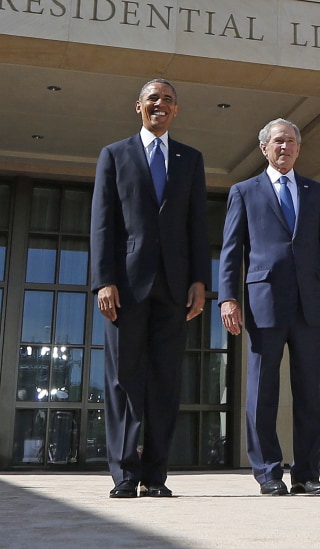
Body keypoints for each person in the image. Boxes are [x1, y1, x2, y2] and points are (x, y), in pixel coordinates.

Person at [91, 78, 211, 498]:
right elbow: (103, 223)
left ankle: (155, 476)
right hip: (125, 285)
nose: (160, 105)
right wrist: (103, 280)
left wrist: (200, 281)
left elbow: (198, 225)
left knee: (164, 382)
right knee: (125, 380)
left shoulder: (190, 159)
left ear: (176, 110)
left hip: (175, 287)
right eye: (153, 99)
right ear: (138, 106)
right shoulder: (115, 154)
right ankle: (125, 473)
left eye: (168, 100)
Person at [218, 118, 320, 496]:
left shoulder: (316, 191)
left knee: (309, 392)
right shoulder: (244, 191)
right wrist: (228, 297)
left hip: (310, 304)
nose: (285, 147)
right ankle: (268, 472)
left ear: (299, 148)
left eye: (291, 142)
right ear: (264, 148)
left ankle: (307, 474)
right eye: (278, 141)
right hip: (264, 302)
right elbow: (230, 250)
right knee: (262, 392)